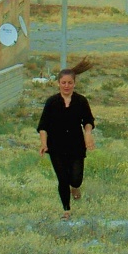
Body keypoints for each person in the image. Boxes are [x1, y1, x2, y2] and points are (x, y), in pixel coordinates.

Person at [37, 66, 95, 221]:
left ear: (74, 83)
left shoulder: (81, 101)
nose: (66, 86)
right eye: (63, 82)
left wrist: (88, 134)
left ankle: (75, 187)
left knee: (76, 178)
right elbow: (43, 126)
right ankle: (66, 210)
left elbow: (88, 121)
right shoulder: (52, 102)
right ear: (58, 83)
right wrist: (43, 144)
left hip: (76, 145)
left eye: (70, 82)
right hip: (56, 146)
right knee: (62, 179)